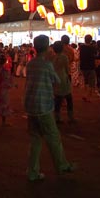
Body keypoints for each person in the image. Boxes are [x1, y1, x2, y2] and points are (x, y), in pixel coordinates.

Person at [24, 35, 75, 181]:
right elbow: (57, 80)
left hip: (30, 105)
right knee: (53, 137)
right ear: (47, 47)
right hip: (43, 105)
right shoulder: (47, 64)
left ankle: (32, 171)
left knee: (35, 140)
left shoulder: (30, 64)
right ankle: (62, 165)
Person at [52, 42, 74, 124]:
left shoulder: (53, 57)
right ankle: (70, 117)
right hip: (63, 78)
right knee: (69, 99)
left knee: (57, 100)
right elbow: (67, 69)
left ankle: (57, 117)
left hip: (55, 79)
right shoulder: (64, 57)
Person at [78, 35, 98, 101]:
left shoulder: (82, 47)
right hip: (91, 66)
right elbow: (96, 55)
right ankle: (88, 96)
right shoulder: (93, 48)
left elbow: (80, 57)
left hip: (83, 66)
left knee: (85, 81)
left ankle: (84, 94)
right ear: (91, 40)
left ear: (84, 39)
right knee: (91, 83)